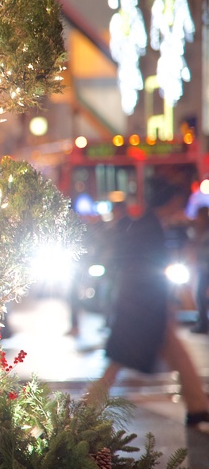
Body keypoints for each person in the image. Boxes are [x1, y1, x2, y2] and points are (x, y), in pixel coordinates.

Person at [87, 179, 209, 432]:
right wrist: (164, 303)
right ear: (173, 202)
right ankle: (87, 408)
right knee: (117, 361)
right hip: (142, 309)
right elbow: (145, 271)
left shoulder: (147, 225)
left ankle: (198, 406)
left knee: (172, 355)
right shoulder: (149, 228)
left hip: (141, 307)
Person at [189, 206, 209, 334]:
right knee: (199, 294)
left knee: (200, 294)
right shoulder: (197, 231)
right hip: (203, 268)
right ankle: (202, 322)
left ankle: (203, 323)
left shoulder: (204, 232)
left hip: (205, 267)